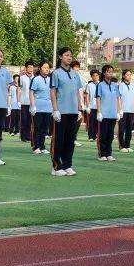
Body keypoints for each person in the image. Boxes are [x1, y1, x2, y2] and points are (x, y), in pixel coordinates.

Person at [49, 47, 84, 176]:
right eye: (66, 55)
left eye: (70, 55)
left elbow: (78, 92)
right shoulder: (56, 73)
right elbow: (53, 92)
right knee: (58, 140)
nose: (69, 57)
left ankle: (67, 165)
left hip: (73, 111)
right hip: (61, 111)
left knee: (70, 140)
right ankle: (56, 166)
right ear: (60, 57)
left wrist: (79, 108)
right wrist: (55, 109)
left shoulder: (75, 74)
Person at [95, 64, 119, 161]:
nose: (110, 73)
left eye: (111, 71)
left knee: (110, 135)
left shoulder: (114, 85)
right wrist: (99, 112)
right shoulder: (100, 85)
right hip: (104, 114)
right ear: (104, 73)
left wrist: (119, 111)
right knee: (103, 135)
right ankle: (102, 154)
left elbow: (118, 98)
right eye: (108, 71)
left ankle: (109, 154)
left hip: (112, 114)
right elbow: (98, 99)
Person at [28, 61, 52, 154]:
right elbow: (31, 93)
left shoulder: (51, 80)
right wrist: (33, 106)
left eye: (48, 68)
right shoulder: (36, 79)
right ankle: (35, 146)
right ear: (40, 68)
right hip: (37, 107)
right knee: (37, 127)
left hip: (48, 108)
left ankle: (42, 146)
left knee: (44, 128)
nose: (46, 69)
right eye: (45, 67)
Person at [116, 69, 134, 153]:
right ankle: (122, 146)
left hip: (131, 110)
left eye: (130, 74)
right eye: (127, 74)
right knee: (121, 129)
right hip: (123, 110)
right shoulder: (120, 85)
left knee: (129, 129)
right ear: (124, 76)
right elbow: (118, 98)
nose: (129, 76)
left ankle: (128, 145)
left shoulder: (133, 85)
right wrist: (119, 109)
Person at [18, 61, 35, 143]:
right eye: (29, 67)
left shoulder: (35, 78)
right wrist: (18, 100)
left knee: (30, 120)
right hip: (24, 102)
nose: (31, 69)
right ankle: (23, 136)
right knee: (24, 120)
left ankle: (28, 136)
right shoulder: (22, 78)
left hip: (32, 102)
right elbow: (19, 89)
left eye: (32, 67)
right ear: (26, 68)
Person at [84, 68, 99, 141]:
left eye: (96, 75)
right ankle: (90, 136)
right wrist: (87, 106)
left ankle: (96, 135)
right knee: (91, 122)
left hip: (99, 107)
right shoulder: (89, 85)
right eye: (94, 76)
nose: (95, 77)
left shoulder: (101, 84)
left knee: (97, 122)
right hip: (92, 106)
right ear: (91, 77)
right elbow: (87, 96)